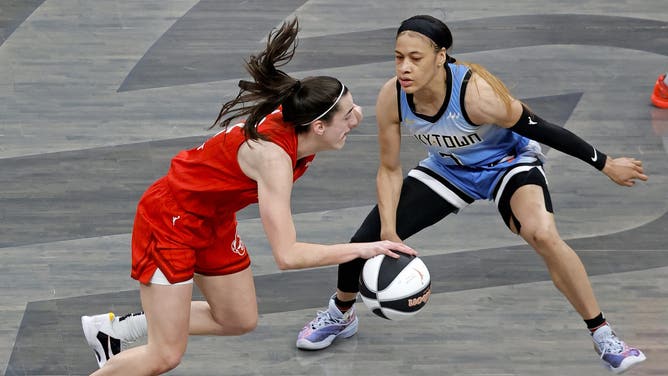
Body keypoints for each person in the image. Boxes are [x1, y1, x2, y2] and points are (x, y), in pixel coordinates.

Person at [296, 15, 648, 374]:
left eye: (415, 58)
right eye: (398, 57)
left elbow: (543, 129)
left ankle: (603, 335)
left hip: (507, 164)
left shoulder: (479, 95)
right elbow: (389, 168)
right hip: (449, 169)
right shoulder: (394, 96)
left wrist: (604, 163)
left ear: (440, 56)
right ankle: (341, 313)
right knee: (364, 240)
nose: (404, 67)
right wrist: (388, 232)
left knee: (543, 234)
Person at [80, 18, 415, 375]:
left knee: (237, 318)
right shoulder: (273, 159)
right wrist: (366, 248)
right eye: (348, 115)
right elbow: (287, 255)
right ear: (318, 127)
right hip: (169, 223)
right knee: (165, 354)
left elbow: (345, 111)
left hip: (212, 219)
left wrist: (349, 108)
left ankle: (116, 329)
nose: (357, 118)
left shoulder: (304, 117)